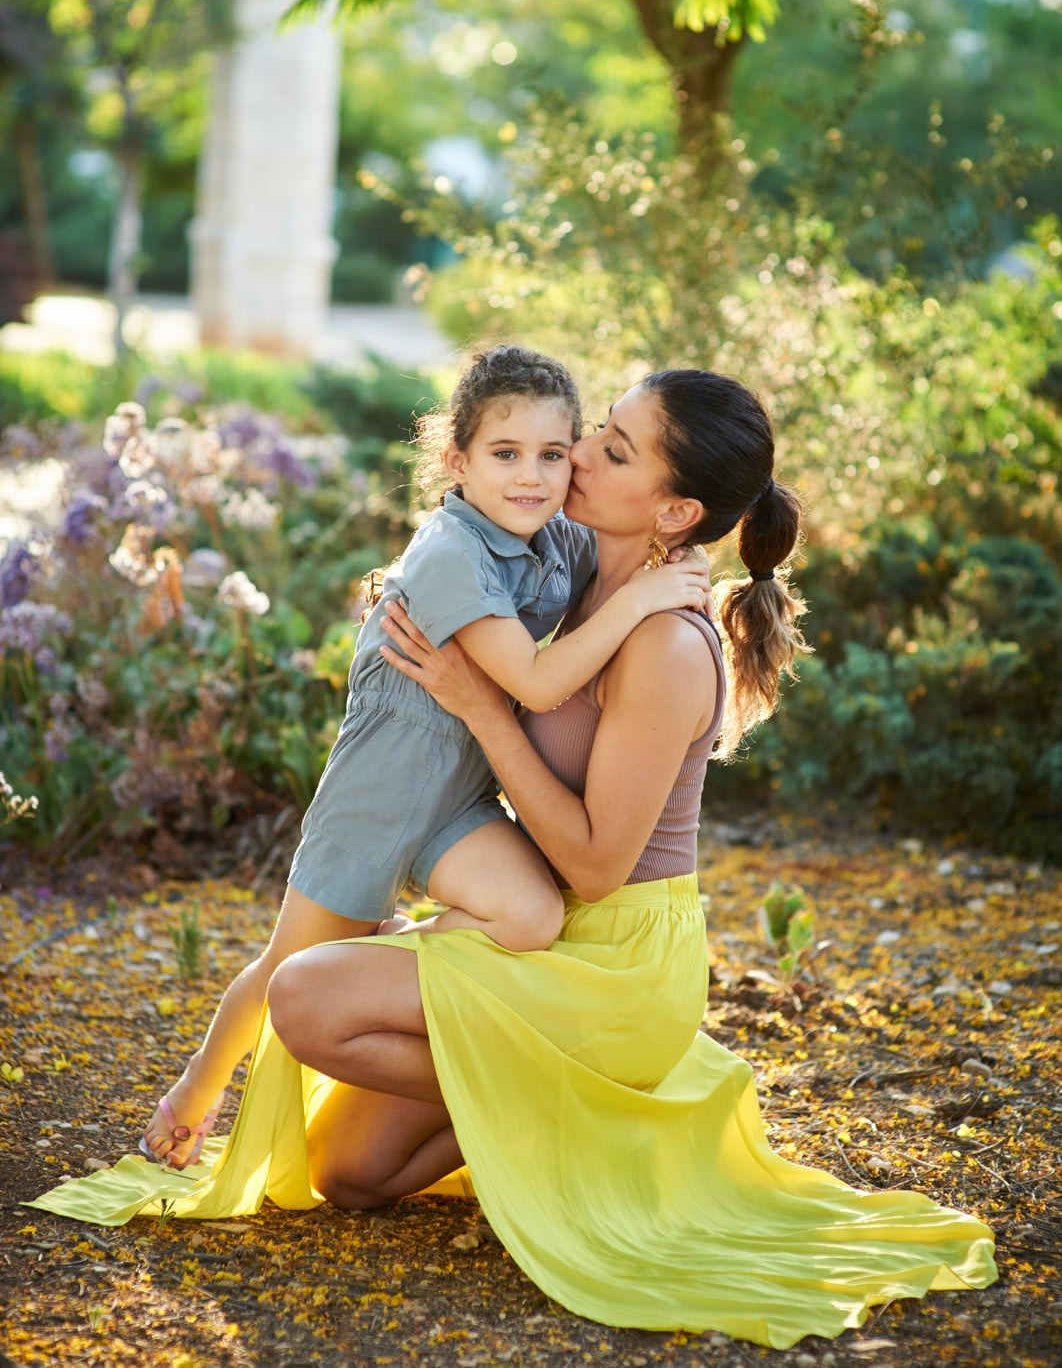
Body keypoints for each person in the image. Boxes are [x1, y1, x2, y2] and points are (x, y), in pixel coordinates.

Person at [31, 367, 995, 1351]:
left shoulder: (663, 640)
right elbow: (468, 561)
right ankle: (555, 1111)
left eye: (609, 450)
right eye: (595, 433)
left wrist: (482, 708)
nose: (574, 456)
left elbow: (593, 868)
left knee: (308, 996)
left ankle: (585, 1105)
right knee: (349, 1175)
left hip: (610, 961)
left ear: (674, 509)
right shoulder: (578, 566)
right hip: (535, 925)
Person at [139, 345, 710, 1169]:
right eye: (505, 455)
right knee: (284, 964)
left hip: (463, 798)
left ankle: (390, 950)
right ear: (457, 460)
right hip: (379, 794)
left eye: (555, 454)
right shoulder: (448, 552)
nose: (535, 476)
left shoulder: (557, 537)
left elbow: (624, 560)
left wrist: (673, 565)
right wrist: (651, 597)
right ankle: (195, 1086)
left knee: (529, 916)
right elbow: (541, 683)